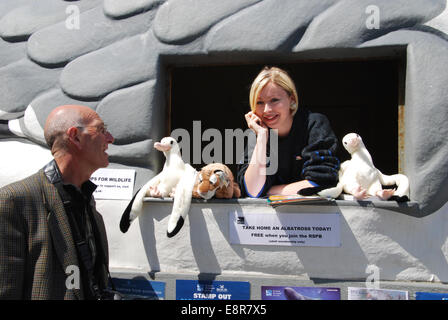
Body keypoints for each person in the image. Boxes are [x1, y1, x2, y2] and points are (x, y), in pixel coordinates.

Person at [0, 105, 115, 300]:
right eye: (101, 129)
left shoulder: (87, 202)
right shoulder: (13, 201)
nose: (110, 138)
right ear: (75, 137)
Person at [237, 66, 340, 198]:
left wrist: (268, 191)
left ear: (291, 100)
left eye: (274, 100)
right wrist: (262, 138)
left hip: (314, 213)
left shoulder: (314, 123)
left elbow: (322, 181)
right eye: (260, 102)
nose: (267, 109)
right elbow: (252, 190)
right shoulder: (257, 132)